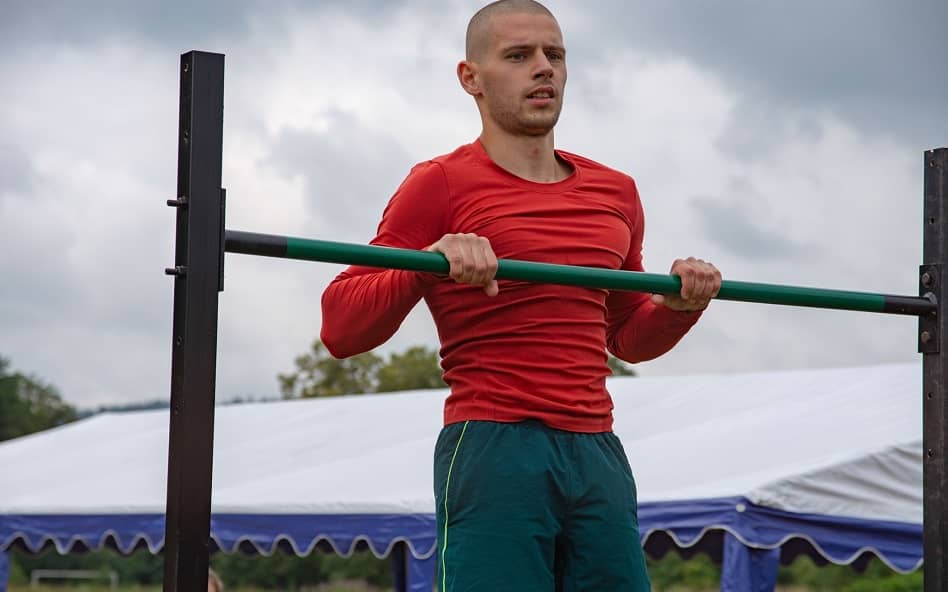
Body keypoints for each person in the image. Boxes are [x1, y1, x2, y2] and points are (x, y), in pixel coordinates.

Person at [320, 1, 721, 589]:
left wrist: (679, 308)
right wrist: (428, 264)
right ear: (471, 78)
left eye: (554, 54)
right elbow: (339, 328)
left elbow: (626, 337)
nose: (543, 67)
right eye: (518, 55)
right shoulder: (439, 182)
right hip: (494, 446)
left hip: (598, 451)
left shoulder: (617, 192)